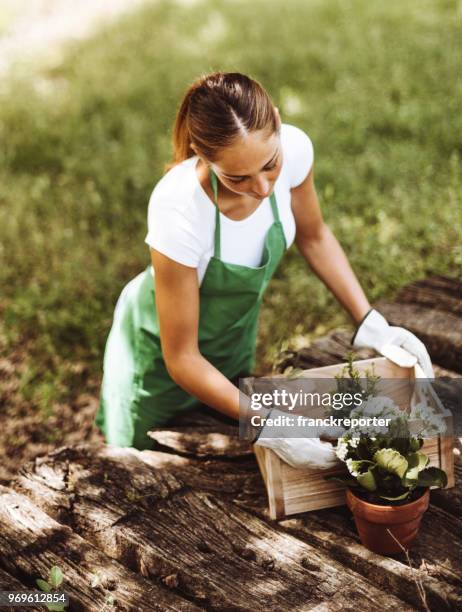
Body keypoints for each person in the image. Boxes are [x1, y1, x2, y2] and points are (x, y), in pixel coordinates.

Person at [95, 71, 434, 467]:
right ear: (202, 156)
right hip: (161, 351)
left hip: (232, 336)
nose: (263, 188)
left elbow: (315, 236)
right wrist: (271, 425)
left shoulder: (295, 149)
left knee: (222, 443)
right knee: (147, 462)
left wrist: (371, 322)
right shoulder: (179, 207)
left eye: (270, 165)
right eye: (238, 177)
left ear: (275, 119)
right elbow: (182, 358)